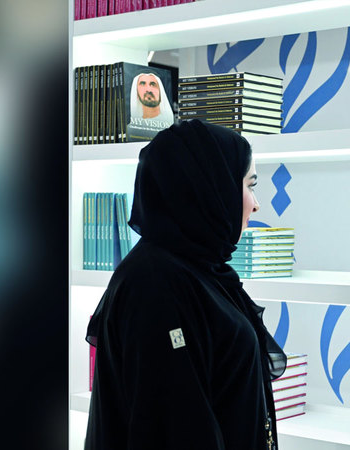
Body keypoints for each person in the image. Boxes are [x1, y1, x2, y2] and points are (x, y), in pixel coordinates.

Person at [84, 120, 286, 449]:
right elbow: (174, 426)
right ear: (209, 188)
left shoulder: (202, 270)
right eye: (249, 186)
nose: (255, 204)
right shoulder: (156, 284)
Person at [127, 72, 174, 139]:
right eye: (142, 84)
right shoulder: (129, 131)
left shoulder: (173, 129)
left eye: (153, 84)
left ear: (161, 91)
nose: (148, 90)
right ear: (136, 93)